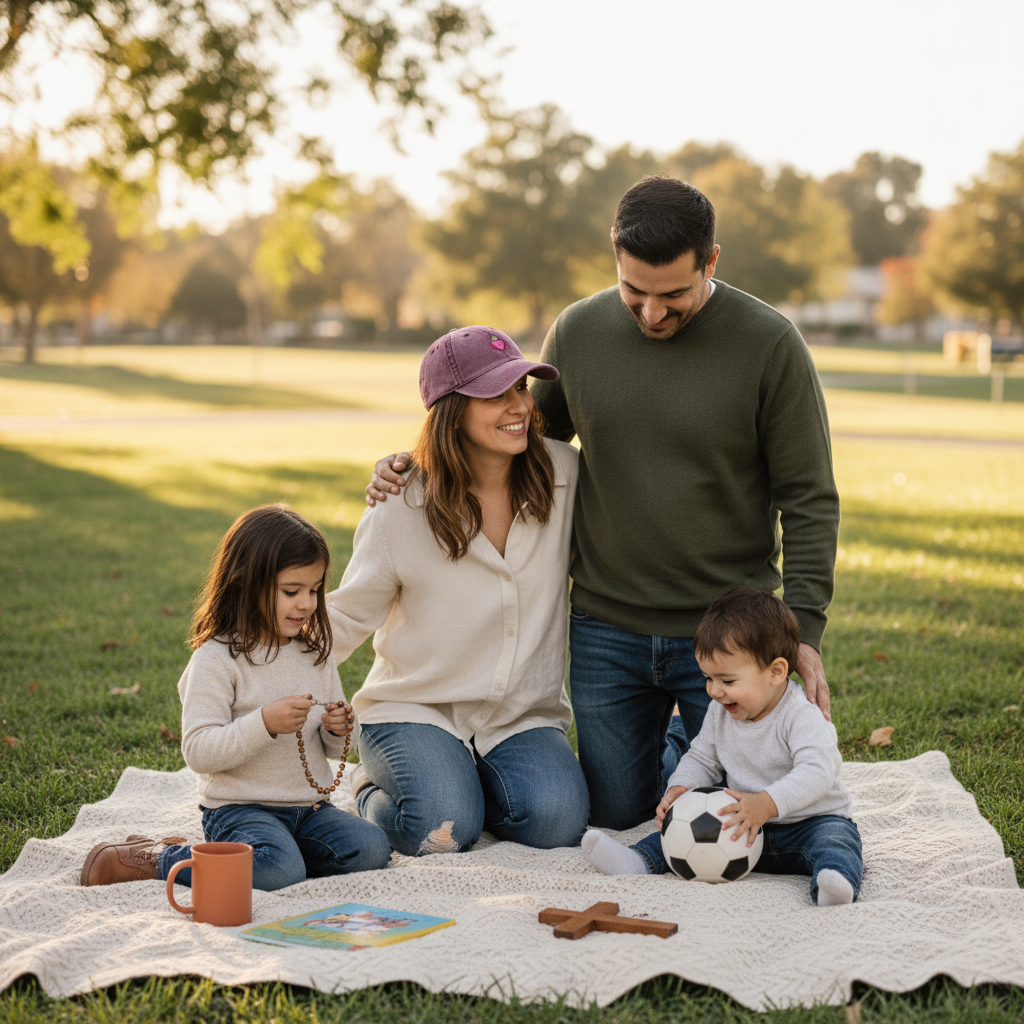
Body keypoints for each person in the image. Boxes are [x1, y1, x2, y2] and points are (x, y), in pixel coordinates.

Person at [367, 176, 840, 831]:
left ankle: (689, 744)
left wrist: (804, 630)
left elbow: (809, 499)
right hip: (606, 631)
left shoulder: (771, 345)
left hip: (729, 632)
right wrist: (415, 465)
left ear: (711, 261)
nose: (650, 313)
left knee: (743, 816)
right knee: (618, 817)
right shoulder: (580, 331)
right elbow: (519, 441)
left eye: (672, 294)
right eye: (633, 291)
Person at [326, 325, 589, 857]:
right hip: (415, 708)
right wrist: (257, 666)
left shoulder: (566, 475)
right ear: (450, 411)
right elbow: (349, 615)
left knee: (557, 822)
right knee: (441, 829)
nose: (518, 406)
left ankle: (465, 783)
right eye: (495, 394)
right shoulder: (402, 503)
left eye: (521, 388)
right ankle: (372, 793)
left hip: (521, 714)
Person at [80, 505, 392, 890]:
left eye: (314, 590)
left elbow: (331, 748)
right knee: (279, 871)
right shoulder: (216, 659)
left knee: (372, 848)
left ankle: (268, 856)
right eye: (291, 591)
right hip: (239, 810)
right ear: (247, 584)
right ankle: (160, 859)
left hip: (309, 810)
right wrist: (264, 724)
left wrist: (339, 727)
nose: (307, 604)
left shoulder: (314, 653)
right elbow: (199, 751)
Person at [582, 587, 862, 907]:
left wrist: (766, 805)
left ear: (776, 671)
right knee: (685, 827)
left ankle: (834, 881)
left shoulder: (801, 715)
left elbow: (818, 772)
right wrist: (680, 788)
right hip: (743, 826)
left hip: (809, 823)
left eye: (727, 681)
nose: (714, 691)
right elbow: (702, 756)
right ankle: (638, 861)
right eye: (707, 678)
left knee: (836, 841)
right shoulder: (721, 710)